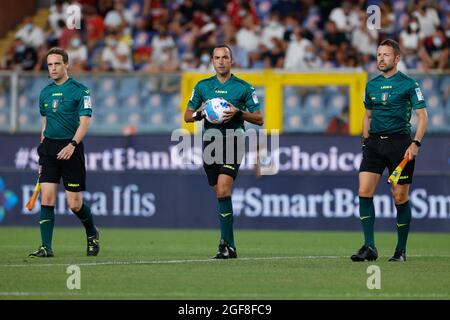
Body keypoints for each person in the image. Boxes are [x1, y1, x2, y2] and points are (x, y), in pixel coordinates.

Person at [351, 39, 428, 263]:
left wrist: (416, 143)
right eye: (378, 55)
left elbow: (422, 116)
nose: (381, 59)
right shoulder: (371, 85)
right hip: (374, 145)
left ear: (397, 58)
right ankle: (369, 246)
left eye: (385, 55)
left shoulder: (409, 83)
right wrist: (365, 141)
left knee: (399, 195)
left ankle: (400, 250)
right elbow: (367, 115)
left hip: (399, 145)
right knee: (364, 190)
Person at [184, 45, 264, 259]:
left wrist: (239, 113)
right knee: (219, 194)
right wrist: (201, 113)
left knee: (222, 190)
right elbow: (187, 116)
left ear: (232, 61)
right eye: (217, 58)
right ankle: (231, 245)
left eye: (225, 57)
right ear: (212, 61)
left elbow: (260, 118)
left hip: (233, 140)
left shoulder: (243, 87)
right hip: (210, 143)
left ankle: (223, 243)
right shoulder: (202, 86)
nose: (221, 61)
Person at [29, 47, 99, 258]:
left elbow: (85, 122)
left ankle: (92, 232)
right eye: (49, 64)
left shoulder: (80, 90)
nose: (53, 68)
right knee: (47, 197)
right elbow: (44, 124)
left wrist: (73, 145)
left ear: (66, 64)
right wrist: (42, 153)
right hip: (49, 149)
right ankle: (45, 247)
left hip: (71, 149)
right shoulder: (45, 92)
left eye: (57, 64)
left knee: (74, 204)